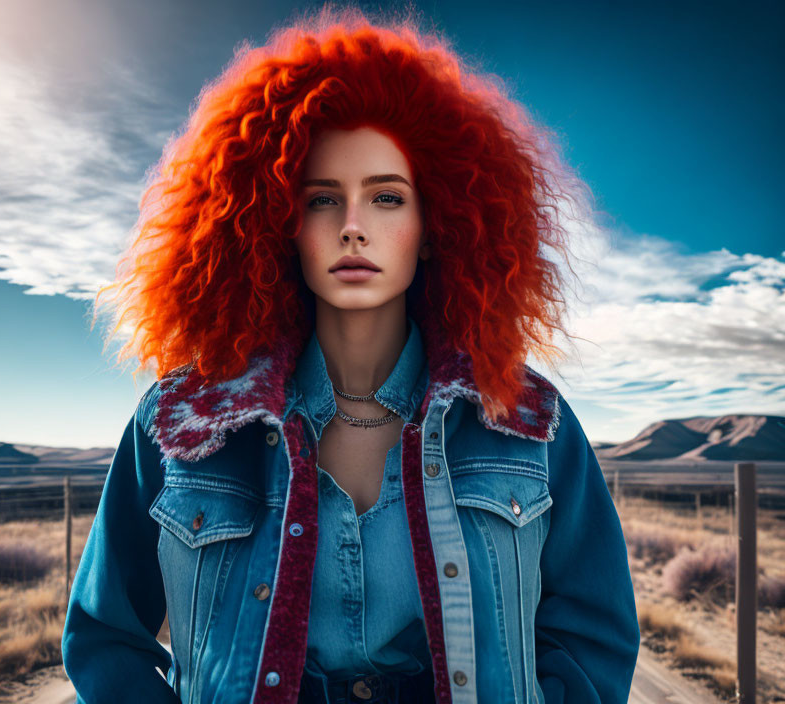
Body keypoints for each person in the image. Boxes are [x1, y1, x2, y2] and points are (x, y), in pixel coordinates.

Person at [61, 6, 640, 703]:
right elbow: (102, 635)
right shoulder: (183, 419)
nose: (355, 227)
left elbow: (593, 639)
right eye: (323, 200)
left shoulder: (527, 419)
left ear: (434, 226)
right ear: (282, 222)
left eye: (387, 198)